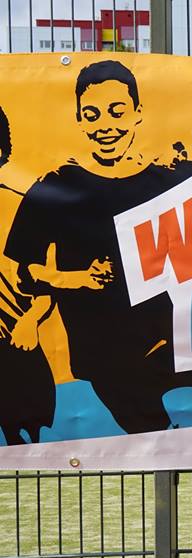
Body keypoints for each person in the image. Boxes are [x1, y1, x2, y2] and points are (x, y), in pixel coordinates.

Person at [3, 59, 192, 435]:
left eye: (116, 112)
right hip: (103, 354)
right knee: (154, 438)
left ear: (137, 113)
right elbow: (23, 270)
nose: (106, 126)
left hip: (174, 343)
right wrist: (75, 279)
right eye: (92, 115)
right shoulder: (56, 185)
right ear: (79, 119)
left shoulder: (167, 184)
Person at [0, 104, 56, 446]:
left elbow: (46, 280)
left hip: (15, 342)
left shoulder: (21, 207)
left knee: (27, 429)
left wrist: (31, 319)